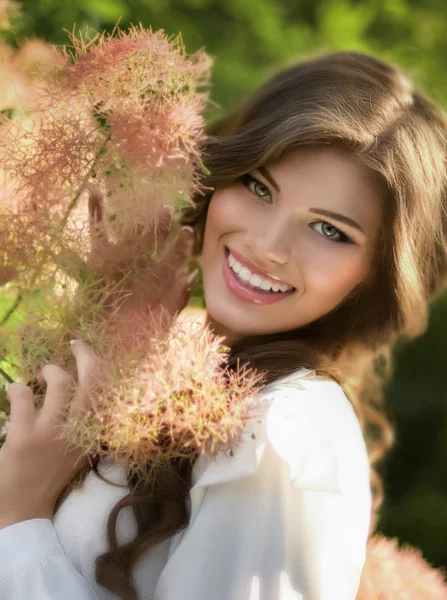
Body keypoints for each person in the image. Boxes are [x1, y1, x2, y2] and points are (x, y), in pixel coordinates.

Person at [1, 50, 447, 600]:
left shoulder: (285, 435)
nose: (266, 247)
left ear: (374, 276)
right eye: (260, 188)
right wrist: (102, 323)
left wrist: (18, 519)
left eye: (330, 231)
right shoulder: (180, 374)